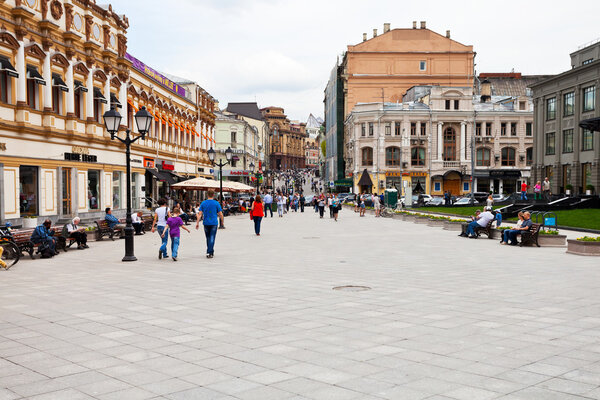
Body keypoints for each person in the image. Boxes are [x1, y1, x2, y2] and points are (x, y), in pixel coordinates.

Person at [196, 190, 224, 258]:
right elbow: (220, 214)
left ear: (207, 195)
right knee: (212, 237)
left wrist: (197, 223)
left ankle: (210, 251)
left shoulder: (203, 203)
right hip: (214, 222)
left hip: (206, 222)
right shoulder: (216, 203)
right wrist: (222, 222)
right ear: (213, 195)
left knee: (208, 237)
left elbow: (199, 214)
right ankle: (209, 252)